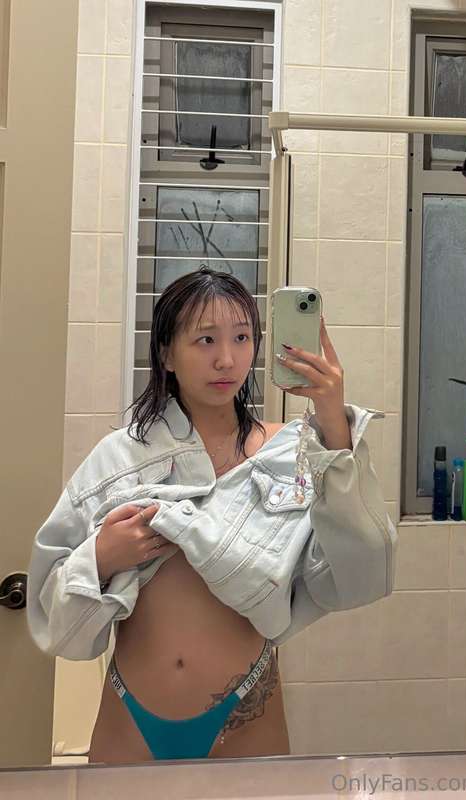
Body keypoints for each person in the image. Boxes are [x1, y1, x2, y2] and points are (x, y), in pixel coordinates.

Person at [26, 268, 397, 763]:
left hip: (247, 711)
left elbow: (363, 565)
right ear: (166, 354)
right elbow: (49, 601)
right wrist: (101, 556)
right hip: (130, 716)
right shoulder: (119, 457)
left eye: (241, 338)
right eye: (205, 340)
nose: (226, 359)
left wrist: (332, 419)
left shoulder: (291, 452)